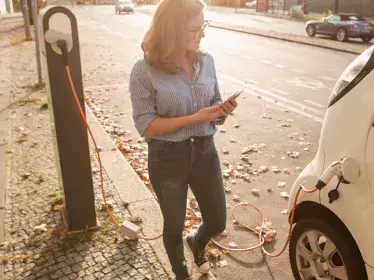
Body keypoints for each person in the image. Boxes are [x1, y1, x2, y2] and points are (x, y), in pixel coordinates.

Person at [129, 0, 238, 279]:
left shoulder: (207, 61)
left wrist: (219, 111)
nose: (203, 33)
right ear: (173, 31)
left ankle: (197, 242)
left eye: (204, 25)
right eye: (197, 28)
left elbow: (212, 104)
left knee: (217, 221)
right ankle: (182, 273)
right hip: (167, 158)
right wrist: (195, 118)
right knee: (174, 225)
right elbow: (146, 125)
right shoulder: (144, 70)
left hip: (204, 152)